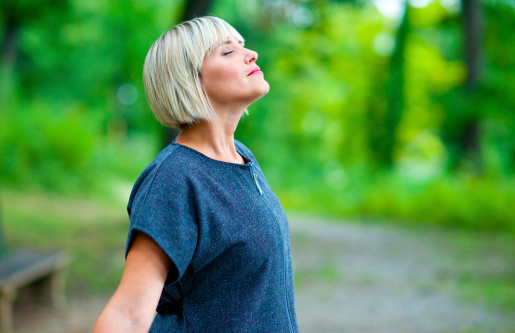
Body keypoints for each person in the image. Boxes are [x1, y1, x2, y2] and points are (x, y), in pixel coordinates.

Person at [93, 16, 298, 333]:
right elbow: (129, 315)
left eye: (242, 46)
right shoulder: (175, 178)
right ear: (189, 80)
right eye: (227, 52)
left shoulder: (242, 157)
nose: (251, 54)